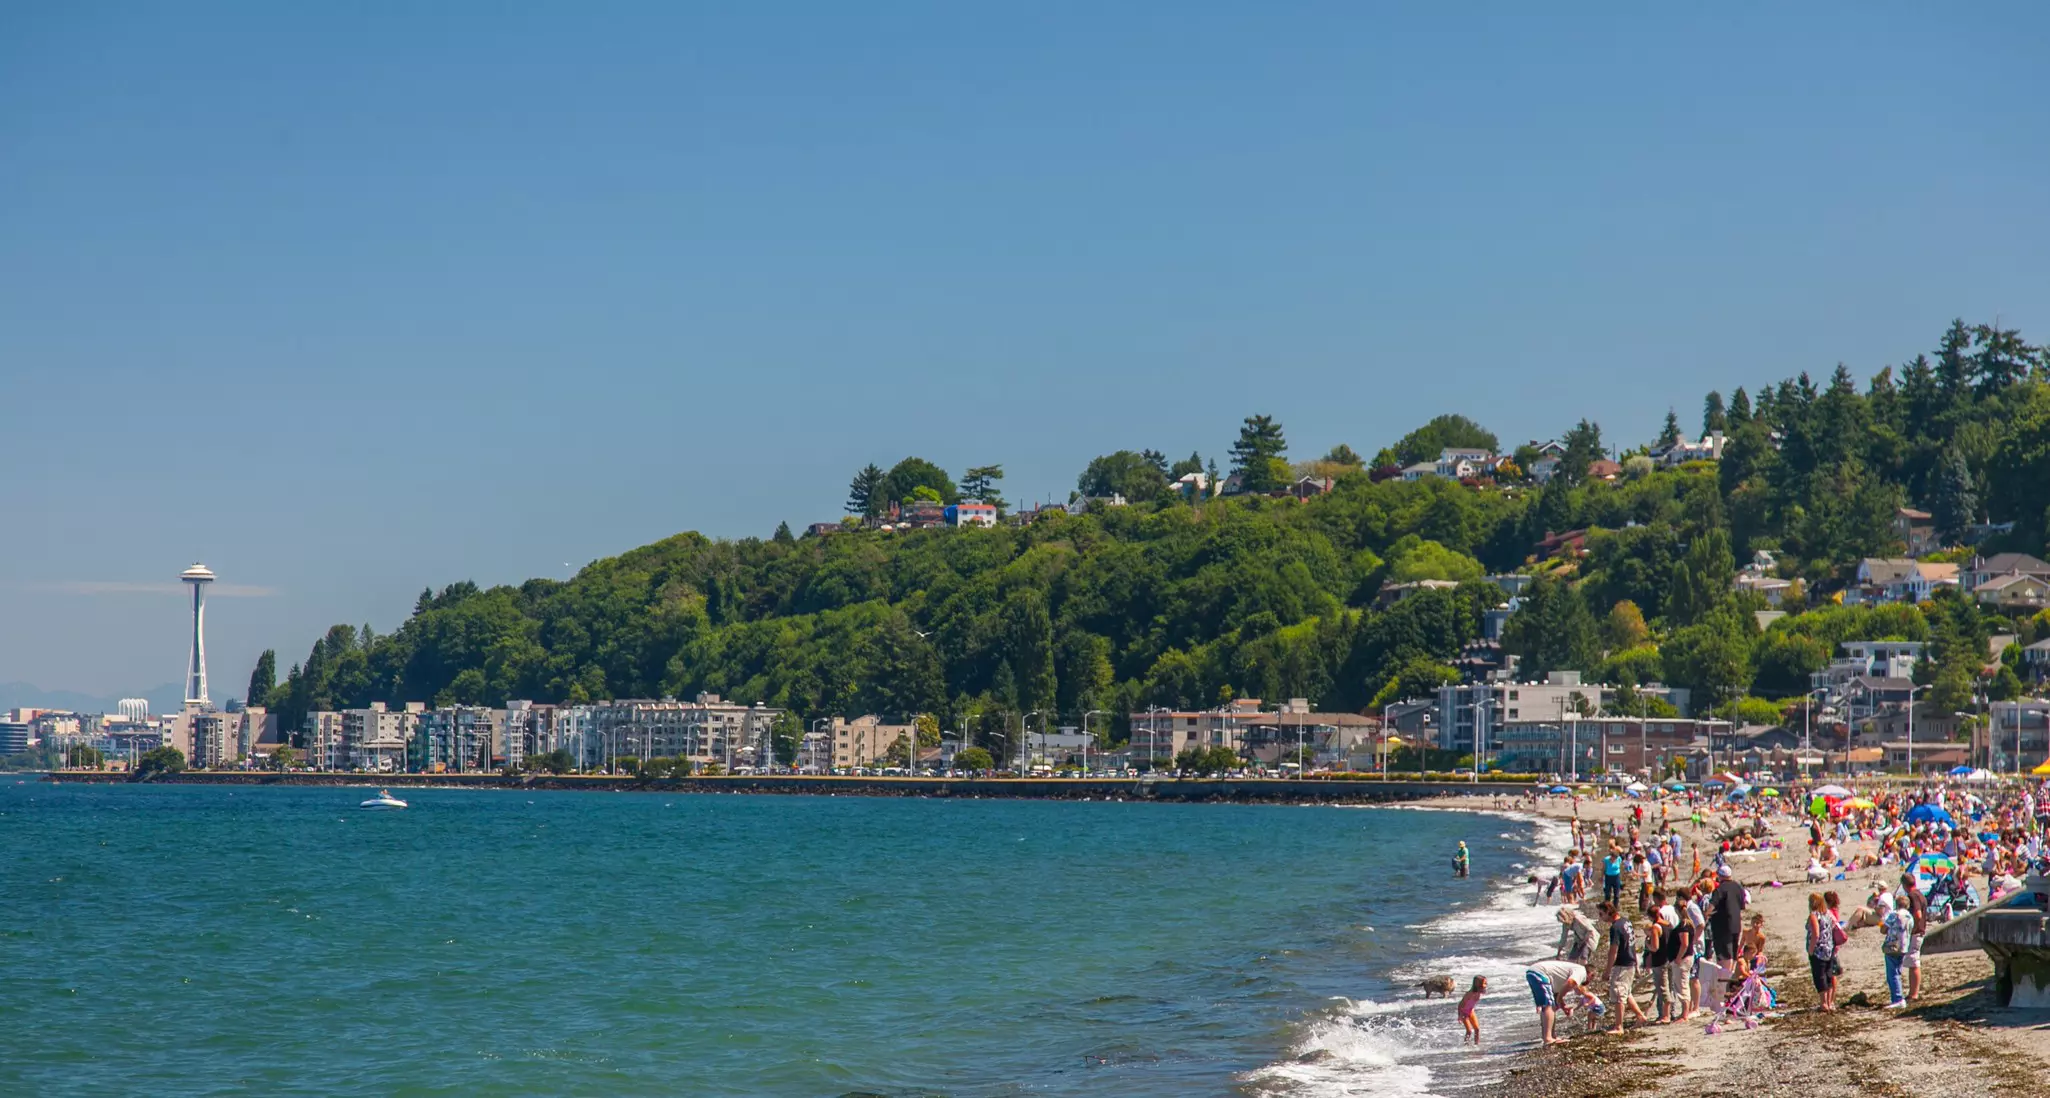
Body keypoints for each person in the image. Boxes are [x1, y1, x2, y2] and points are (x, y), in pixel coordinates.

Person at [1524, 959, 1601, 1045]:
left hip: (1535, 972)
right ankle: (1548, 1038)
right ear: (1590, 974)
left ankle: (1551, 1036)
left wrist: (1562, 1004)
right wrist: (1560, 997)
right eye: (1591, 979)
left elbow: (1557, 996)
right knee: (1548, 1006)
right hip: (1539, 972)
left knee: (1551, 1005)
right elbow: (1571, 982)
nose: (1587, 982)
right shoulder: (1582, 971)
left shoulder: (1565, 974)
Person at [1598, 901, 1649, 1033]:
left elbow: (1613, 951)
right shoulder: (1626, 922)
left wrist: (1607, 971)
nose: (1600, 917)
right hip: (1631, 961)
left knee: (1619, 992)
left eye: (1601, 914)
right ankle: (1640, 1016)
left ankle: (1618, 1026)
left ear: (1609, 912)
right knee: (1626, 992)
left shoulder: (1615, 927)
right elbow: (1632, 943)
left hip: (1623, 964)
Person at [1805, 892, 1841, 1013]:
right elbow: (1835, 926)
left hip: (1818, 950)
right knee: (1828, 975)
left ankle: (1824, 1003)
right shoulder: (1828, 914)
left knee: (1819, 976)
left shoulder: (1814, 915)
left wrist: (1811, 949)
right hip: (1829, 948)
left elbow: (1815, 933)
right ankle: (1830, 1002)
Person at [1899, 872, 1929, 1002]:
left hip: (1916, 932)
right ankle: (1913, 992)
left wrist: (1911, 927)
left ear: (1904, 885)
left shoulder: (1912, 896)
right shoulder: (1920, 894)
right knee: (1913, 962)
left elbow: (1917, 914)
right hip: (1920, 931)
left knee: (1913, 962)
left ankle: (1914, 993)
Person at [1708, 864, 1746, 962]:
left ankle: (1727, 975)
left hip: (1723, 926)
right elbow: (1742, 906)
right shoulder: (1738, 887)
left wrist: (1705, 915)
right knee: (1734, 952)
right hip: (1736, 923)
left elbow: (1712, 906)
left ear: (1720, 876)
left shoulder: (1720, 889)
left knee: (1725, 954)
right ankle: (1733, 972)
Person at [1882, 898, 1913, 1008]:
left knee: (1892, 974)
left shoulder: (1894, 915)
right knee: (1897, 972)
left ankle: (1898, 999)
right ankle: (1898, 997)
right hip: (1904, 947)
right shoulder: (1909, 916)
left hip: (1892, 946)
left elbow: (1883, 929)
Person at [1458, 975, 1487, 1045]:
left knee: (1477, 1029)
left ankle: (1476, 1045)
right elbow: (1461, 1004)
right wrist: (1459, 1015)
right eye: (1484, 983)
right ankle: (1465, 1045)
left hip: (1471, 1011)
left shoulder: (1480, 992)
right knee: (1469, 1031)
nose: (1486, 985)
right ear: (1478, 984)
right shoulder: (1470, 994)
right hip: (1463, 1012)